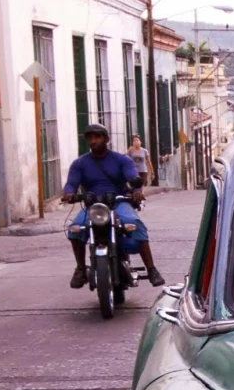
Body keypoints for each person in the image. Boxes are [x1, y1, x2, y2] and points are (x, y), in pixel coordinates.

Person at [62, 123, 163, 288]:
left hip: (119, 202)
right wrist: (69, 193)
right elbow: (71, 183)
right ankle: (80, 269)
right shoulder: (80, 163)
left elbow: (132, 176)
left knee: (134, 224)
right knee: (75, 228)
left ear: (106, 139)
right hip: (93, 206)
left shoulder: (122, 160)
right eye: (90, 137)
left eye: (97, 137)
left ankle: (152, 269)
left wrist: (136, 189)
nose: (93, 141)